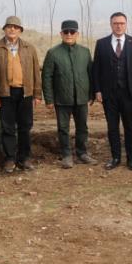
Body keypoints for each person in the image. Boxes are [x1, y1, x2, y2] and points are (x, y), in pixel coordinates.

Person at [0, 16, 42, 173]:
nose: (12, 29)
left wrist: (37, 94)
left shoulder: (29, 48)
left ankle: (24, 158)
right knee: (8, 127)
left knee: (25, 126)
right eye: (9, 27)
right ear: (4, 29)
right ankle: (10, 158)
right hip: (5, 93)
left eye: (16, 27)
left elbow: (35, 72)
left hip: (25, 93)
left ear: (20, 30)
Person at [42, 20, 97, 168]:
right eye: (66, 32)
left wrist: (91, 94)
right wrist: (49, 99)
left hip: (81, 97)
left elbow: (91, 74)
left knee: (82, 127)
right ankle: (66, 155)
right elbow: (47, 77)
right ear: (61, 34)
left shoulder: (85, 52)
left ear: (77, 34)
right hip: (61, 98)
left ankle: (82, 153)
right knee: (63, 128)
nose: (69, 35)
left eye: (72, 32)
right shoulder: (53, 53)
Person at [93, 12, 132, 171]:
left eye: (121, 23)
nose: (119, 26)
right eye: (115, 23)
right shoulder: (101, 44)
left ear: (126, 24)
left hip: (129, 93)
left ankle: (131, 158)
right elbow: (96, 70)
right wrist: (97, 90)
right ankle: (115, 157)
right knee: (112, 127)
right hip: (109, 94)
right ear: (111, 25)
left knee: (129, 126)